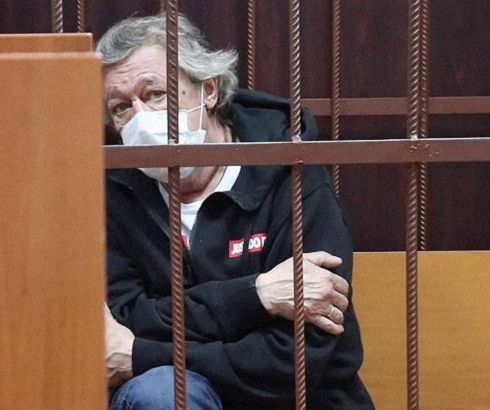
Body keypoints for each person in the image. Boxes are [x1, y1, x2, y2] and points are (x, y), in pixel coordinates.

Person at [98, 13, 374, 410]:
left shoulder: (290, 173)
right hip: (181, 396)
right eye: (122, 107)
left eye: (155, 94)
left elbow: (296, 357)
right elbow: (124, 319)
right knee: (161, 393)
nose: (140, 118)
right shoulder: (114, 193)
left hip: (301, 401)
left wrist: (143, 354)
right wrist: (255, 295)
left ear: (208, 90)